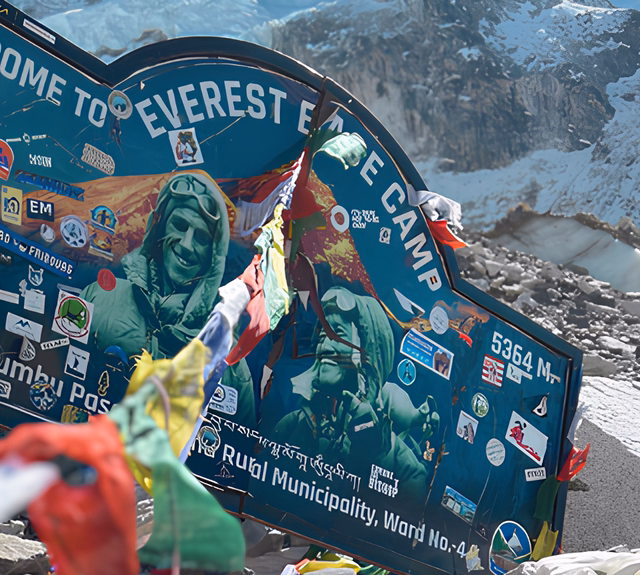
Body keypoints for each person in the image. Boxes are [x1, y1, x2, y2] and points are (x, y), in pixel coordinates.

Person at [82, 172, 255, 422]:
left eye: (202, 237)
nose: (186, 244)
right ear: (160, 228)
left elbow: (236, 448)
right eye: (180, 226)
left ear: (214, 255)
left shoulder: (228, 360)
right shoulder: (101, 297)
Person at [265, 286, 430, 499]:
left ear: (368, 352)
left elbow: (406, 517)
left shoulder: (398, 460)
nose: (324, 345)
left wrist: (372, 454)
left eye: (338, 334)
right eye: (323, 335)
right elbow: (258, 490)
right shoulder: (292, 426)